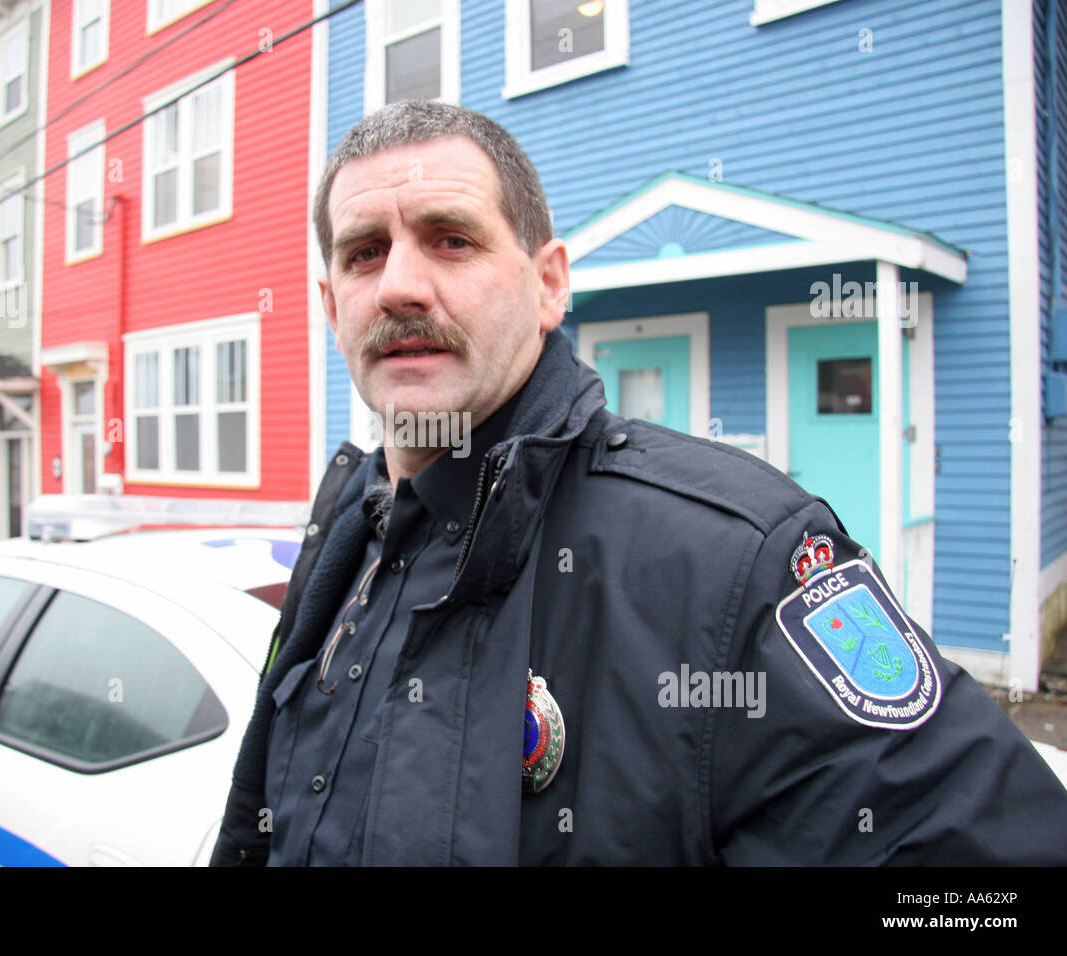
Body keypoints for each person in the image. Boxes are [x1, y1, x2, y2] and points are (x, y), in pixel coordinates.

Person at [211, 100, 1067, 866]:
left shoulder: (738, 564)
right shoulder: (346, 536)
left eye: (452, 239)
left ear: (548, 285)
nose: (399, 284)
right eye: (365, 254)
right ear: (332, 307)